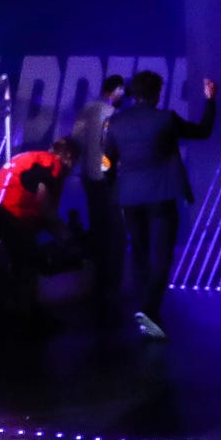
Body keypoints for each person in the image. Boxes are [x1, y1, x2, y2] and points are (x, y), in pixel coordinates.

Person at [105, 70, 218, 340]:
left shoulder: (116, 123)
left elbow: (106, 161)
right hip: (161, 195)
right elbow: (202, 131)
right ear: (156, 92)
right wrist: (211, 101)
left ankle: (145, 308)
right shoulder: (165, 118)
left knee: (139, 252)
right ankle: (150, 310)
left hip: (129, 197)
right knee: (162, 254)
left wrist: (112, 188)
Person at [0, 137, 80, 318]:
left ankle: (21, 309)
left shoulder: (34, 157)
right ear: (68, 156)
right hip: (12, 210)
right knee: (28, 263)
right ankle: (27, 315)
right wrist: (67, 235)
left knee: (18, 259)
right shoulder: (52, 165)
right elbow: (44, 206)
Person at [70, 75, 128, 314]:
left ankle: (96, 283)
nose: (123, 95)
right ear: (116, 90)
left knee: (98, 228)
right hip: (107, 177)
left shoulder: (86, 109)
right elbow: (113, 148)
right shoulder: (111, 113)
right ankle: (111, 284)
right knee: (116, 231)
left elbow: (76, 139)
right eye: (122, 91)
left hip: (88, 176)